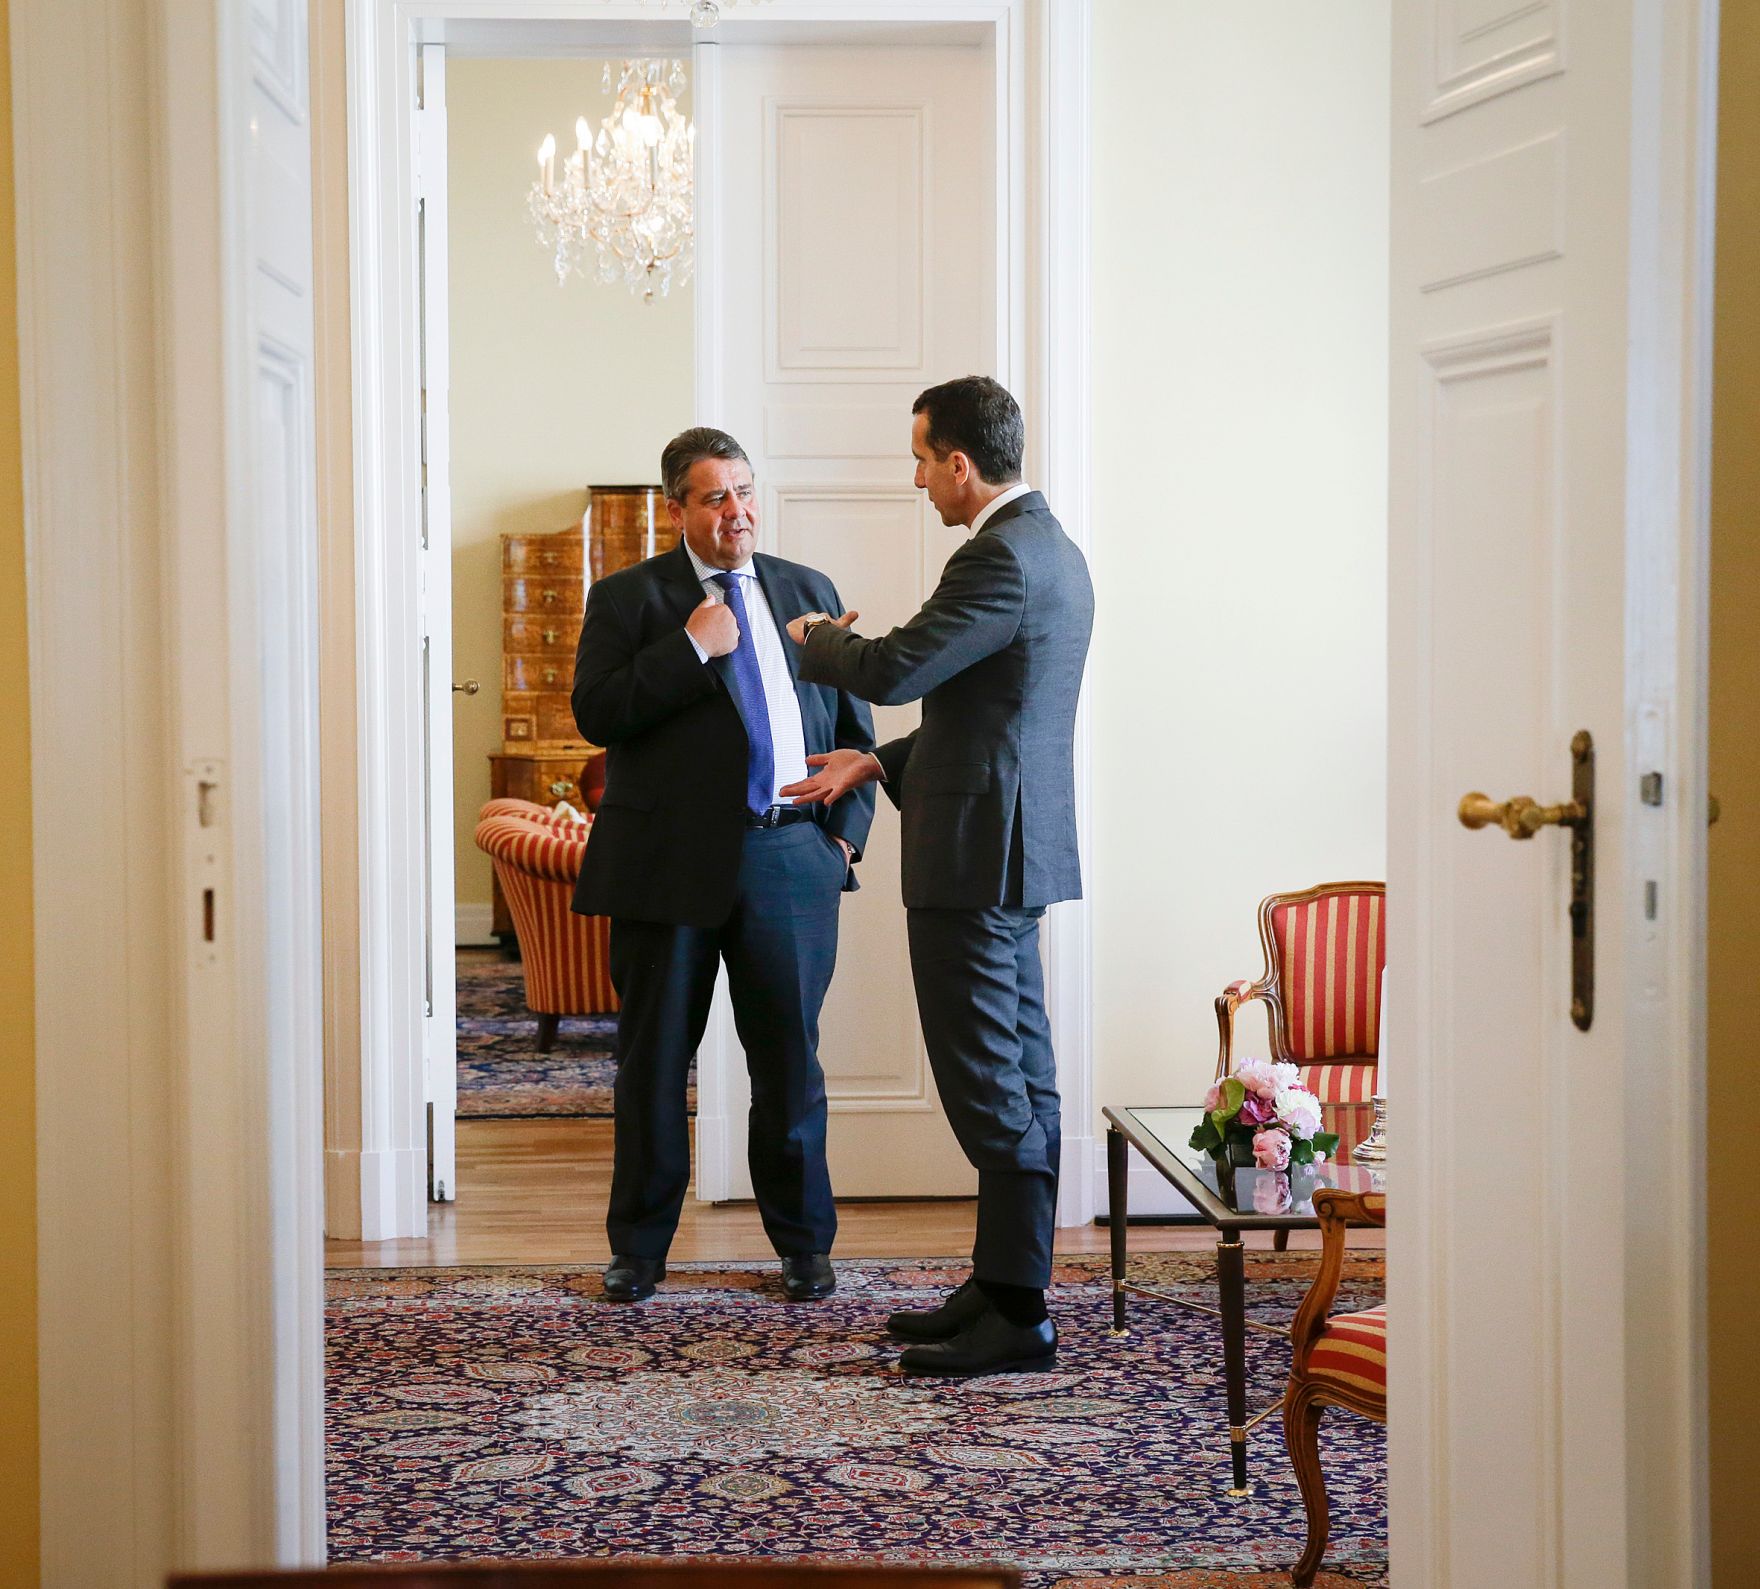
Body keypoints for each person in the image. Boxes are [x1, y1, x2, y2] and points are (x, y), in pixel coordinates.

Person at [781, 375, 1094, 1376]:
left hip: (978, 858)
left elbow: (893, 669)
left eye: (921, 459)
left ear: (960, 463)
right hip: (1006, 843)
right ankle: (1004, 1283)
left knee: (988, 1075)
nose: (916, 478)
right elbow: (986, 718)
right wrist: (875, 760)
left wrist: (813, 637)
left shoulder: (999, 556)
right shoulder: (1051, 549)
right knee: (1019, 1068)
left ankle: (1018, 1314)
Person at [571, 426, 877, 1304]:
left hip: (790, 857)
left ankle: (805, 1246)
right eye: (716, 497)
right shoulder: (628, 597)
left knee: (789, 1062)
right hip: (666, 866)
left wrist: (842, 835)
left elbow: (852, 733)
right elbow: (598, 710)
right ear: (678, 507)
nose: (738, 511)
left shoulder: (807, 590)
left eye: (745, 491)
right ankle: (639, 1248)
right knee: (655, 1063)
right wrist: (691, 647)